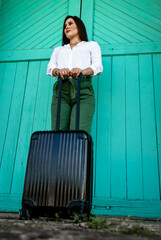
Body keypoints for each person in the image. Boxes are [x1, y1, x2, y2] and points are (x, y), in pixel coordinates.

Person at [46, 15, 103, 134]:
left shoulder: (91, 45)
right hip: (62, 90)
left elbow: (97, 66)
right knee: (58, 132)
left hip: (83, 90)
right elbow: (50, 68)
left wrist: (82, 71)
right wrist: (59, 71)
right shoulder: (58, 50)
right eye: (65, 25)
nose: (67, 27)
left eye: (70, 23)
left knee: (78, 133)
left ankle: (77, 153)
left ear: (79, 26)